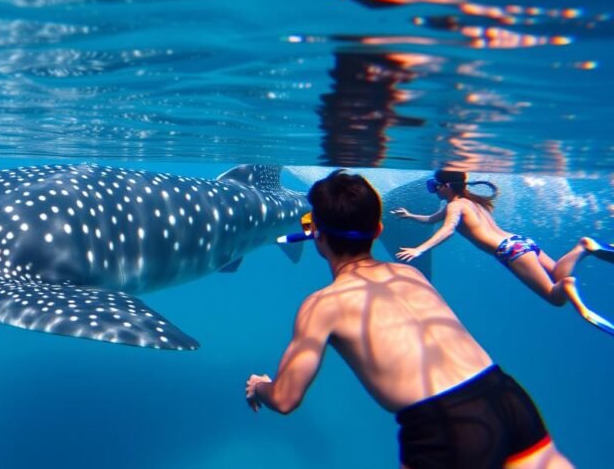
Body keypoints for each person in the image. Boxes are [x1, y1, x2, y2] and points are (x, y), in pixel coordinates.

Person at [246, 170, 572, 468]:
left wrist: (260, 387)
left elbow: (285, 398)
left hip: (444, 425)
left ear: (315, 233)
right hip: (506, 395)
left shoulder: (321, 305)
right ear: (378, 230)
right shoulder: (410, 274)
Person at [391, 170, 611, 331]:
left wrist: (420, 249)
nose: (433, 190)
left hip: (510, 252)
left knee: (556, 297)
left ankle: (575, 296)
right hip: (521, 242)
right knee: (557, 273)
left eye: (434, 186)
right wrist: (410, 215)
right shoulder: (471, 202)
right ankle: (584, 247)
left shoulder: (455, 206)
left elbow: (447, 230)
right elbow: (431, 220)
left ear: (446, 186)